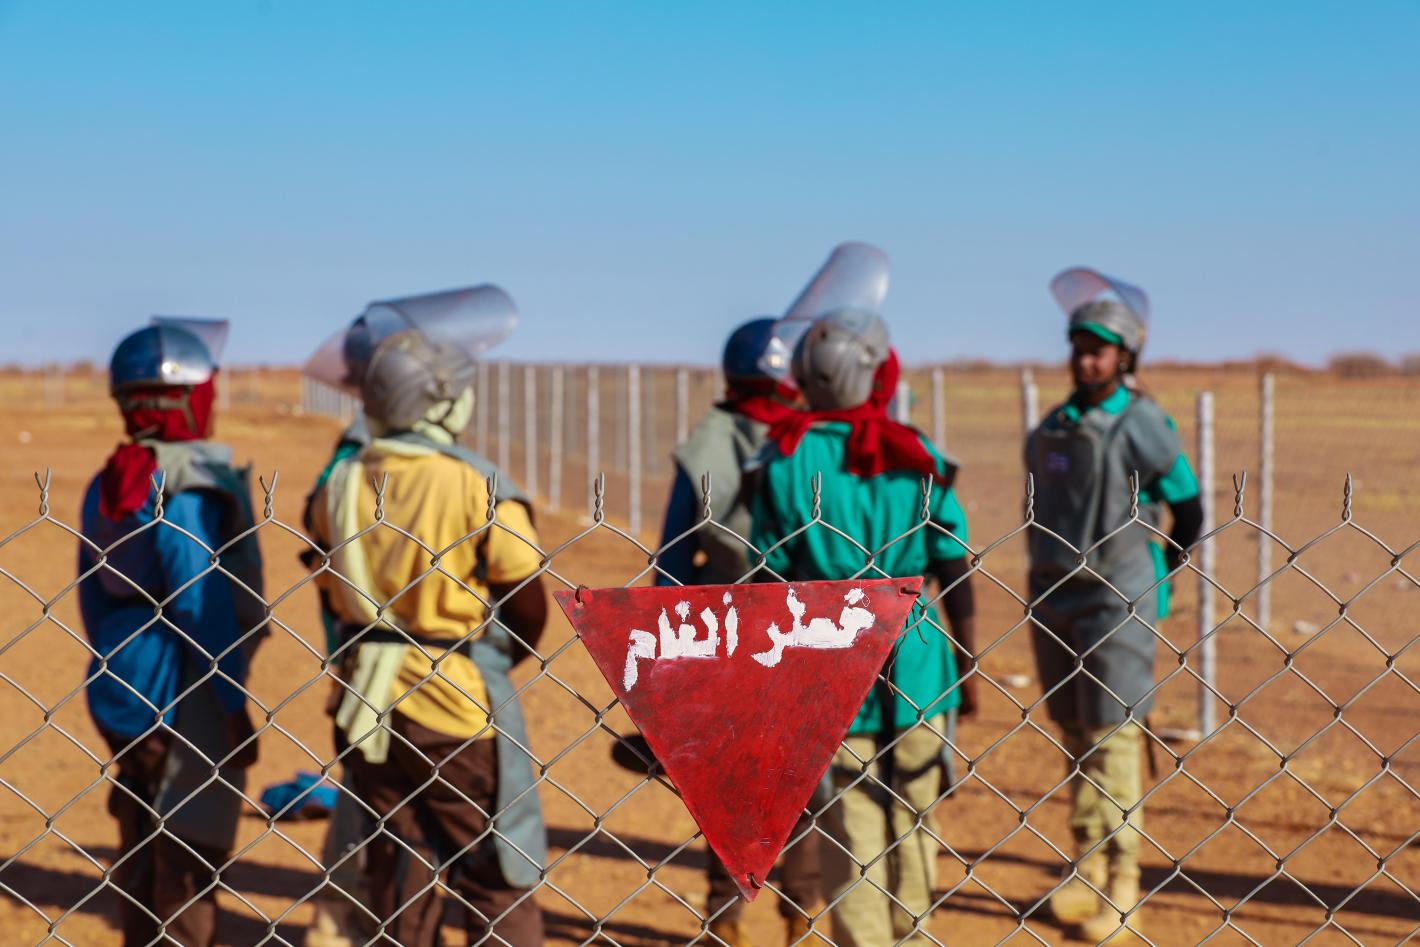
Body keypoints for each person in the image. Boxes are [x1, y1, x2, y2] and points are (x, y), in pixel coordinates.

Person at [306, 287, 547, 947]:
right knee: (495, 865)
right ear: (441, 402)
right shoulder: (474, 482)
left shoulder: (341, 481)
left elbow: (328, 586)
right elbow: (527, 597)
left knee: (397, 862)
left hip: (367, 702)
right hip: (454, 701)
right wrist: (493, 656)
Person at [749, 308, 978, 947]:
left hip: (827, 659)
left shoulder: (784, 460)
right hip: (920, 660)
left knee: (849, 828)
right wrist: (966, 660)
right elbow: (952, 563)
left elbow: (766, 576)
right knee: (916, 818)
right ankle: (915, 935)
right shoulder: (916, 454)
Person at [1026, 268, 1203, 943]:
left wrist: (1160, 569)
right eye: (1078, 347)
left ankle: (1124, 881)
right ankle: (1087, 863)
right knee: (1075, 734)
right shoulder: (1055, 425)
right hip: (1055, 594)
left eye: (1099, 350)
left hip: (1116, 594)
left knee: (1113, 736)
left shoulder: (1141, 422)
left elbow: (1187, 504)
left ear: (1125, 355)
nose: (1085, 360)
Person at [76, 318, 266, 947]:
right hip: (183, 686)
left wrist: (115, 660)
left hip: (120, 680)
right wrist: (232, 706)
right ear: (183, 399)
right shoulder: (184, 484)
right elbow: (198, 598)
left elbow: (90, 591)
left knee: (139, 828)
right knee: (189, 842)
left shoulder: (109, 479)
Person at [652, 317, 823, 947]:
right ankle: (802, 916)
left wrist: (668, 662)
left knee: (727, 780)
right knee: (803, 775)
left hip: (723, 630)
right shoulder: (807, 438)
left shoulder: (706, 443)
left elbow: (673, 561)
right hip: (804, 627)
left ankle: (724, 917)